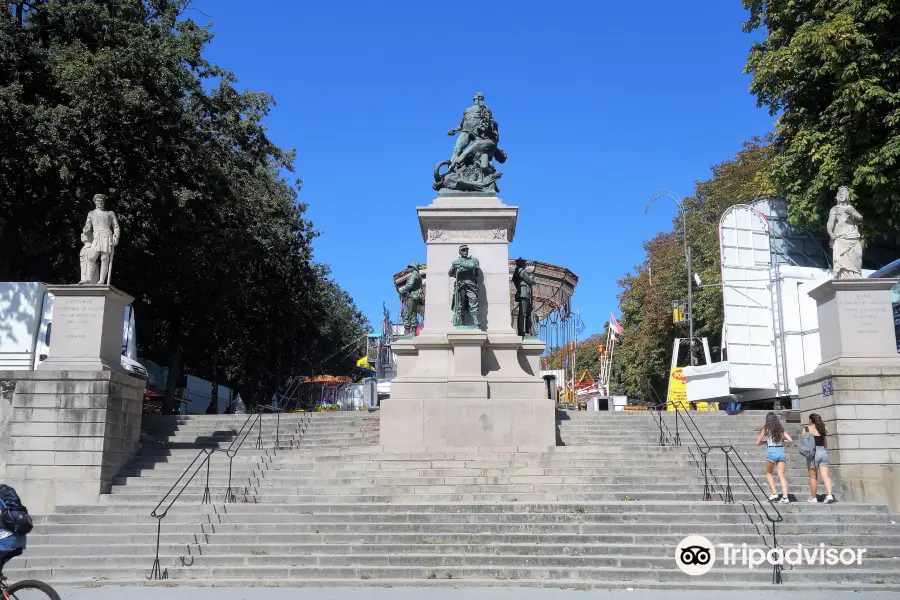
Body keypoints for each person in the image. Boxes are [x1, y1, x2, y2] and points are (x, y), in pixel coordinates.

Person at [756, 412, 792, 503]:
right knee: (781, 475)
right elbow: (790, 440)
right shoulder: (780, 429)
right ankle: (785, 497)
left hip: (771, 451)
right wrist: (782, 440)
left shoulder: (765, 429)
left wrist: (766, 442)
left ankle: (774, 493)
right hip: (781, 451)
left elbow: (758, 442)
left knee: (768, 473)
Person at [804, 413, 835, 504]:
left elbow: (805, 443)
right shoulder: (822, 430)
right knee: (826, 475)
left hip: (813, 453)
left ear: (810, 420)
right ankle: (829, 495)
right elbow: (825, 444)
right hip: (823, 452)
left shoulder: (806, 429)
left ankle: (814, 498)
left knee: (813, 477)